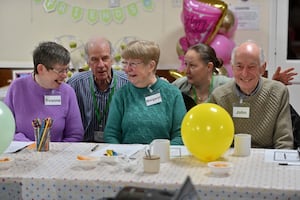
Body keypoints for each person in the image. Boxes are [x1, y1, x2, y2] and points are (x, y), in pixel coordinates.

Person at [210, 40, 294, 149]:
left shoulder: (278, 92)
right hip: (231, 157)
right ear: (232, 67)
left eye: (251, 67)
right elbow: (213, 139)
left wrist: (280, 165)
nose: (245, 73)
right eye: (239, 66)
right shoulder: (219, 96)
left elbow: (284, 140)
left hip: (266, 157)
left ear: (262, 68)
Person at [104, 40, 186, 145]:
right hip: (128, 159)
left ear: (151, 66)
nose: (127, 69)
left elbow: (180, 135)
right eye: (125, 63)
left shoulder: (172, 94)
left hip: (162, 158)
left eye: (133, 63)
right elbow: (111, 134)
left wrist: (161, 154)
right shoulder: (121, 95)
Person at [173, 43, 298, 111]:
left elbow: (249, 87)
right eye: (186, 64)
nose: (187, 70)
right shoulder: (179, 86)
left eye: (193, 66)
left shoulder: (225, 85)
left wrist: (272, 83)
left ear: (209, 67)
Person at [4, 41, 84, 142]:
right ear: (41, 69)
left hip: (58, 154)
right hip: (22, 151)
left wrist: (55, 153)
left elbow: (75, 135)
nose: (65, 75)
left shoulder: (68, 92)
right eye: (60, 71)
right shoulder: (17, 88)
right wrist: (31, 147)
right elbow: (6, 129)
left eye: (66, 69)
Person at [67, 36, 128, 142]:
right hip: (84, 147)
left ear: (112, 59)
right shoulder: (75, 84)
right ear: (88, 62)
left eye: (105, 58)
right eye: (94, 59)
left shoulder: (127, 83)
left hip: (118, 146)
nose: (101, 65)